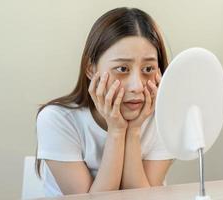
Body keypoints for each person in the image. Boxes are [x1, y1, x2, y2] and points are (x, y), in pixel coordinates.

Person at [35, 7, 175, 197]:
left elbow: (141, 197)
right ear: (91, 69)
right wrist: (116, 130)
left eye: (148, 69)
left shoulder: (164, 121)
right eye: (123, 68)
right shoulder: (56, 120)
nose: (137, 86)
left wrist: (133, 131)